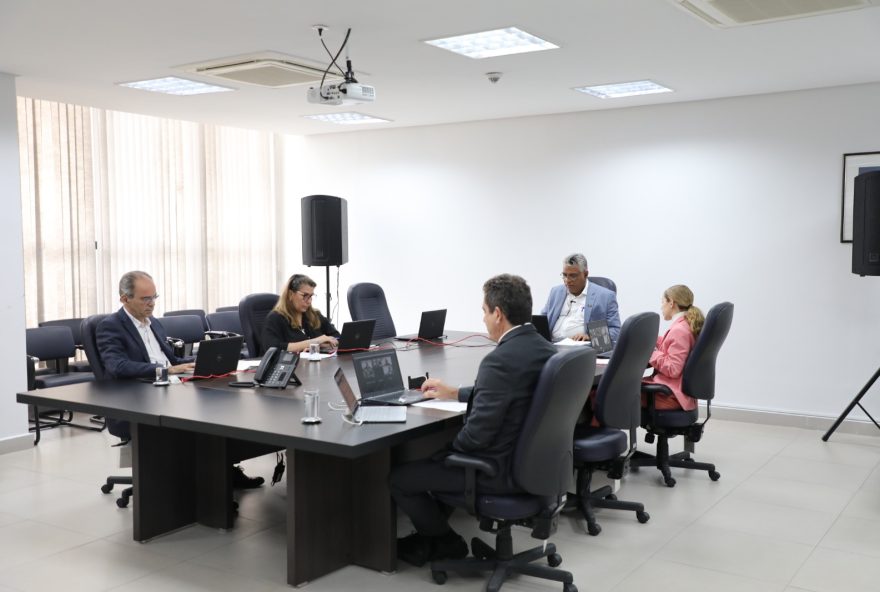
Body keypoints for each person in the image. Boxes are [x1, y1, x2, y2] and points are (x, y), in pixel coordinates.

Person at [391, 274, 557, 567]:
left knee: (401, 478)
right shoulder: (544, 349)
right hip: (536, 466)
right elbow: (511, 392)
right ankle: (431, 536)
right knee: (437, 459)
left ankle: (445, 542)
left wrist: (445, 451)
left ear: (498, 314)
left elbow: (476, 437)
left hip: (498, 471)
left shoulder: (499, 360)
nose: (482, 319)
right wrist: (455, 392)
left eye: (483, 311)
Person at [96, 270, 264, 488]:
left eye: (154, 297)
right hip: (137, 399)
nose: (151, 304)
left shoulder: (153, 322)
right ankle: (207, 485)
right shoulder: (110, 326)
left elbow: (170, 358)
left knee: (219, 407)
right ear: (124, 299)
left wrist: (191, 363)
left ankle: (223, 472)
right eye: (145, 298)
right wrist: (164, 370)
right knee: (199, 417)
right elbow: (117, 366)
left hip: (166, 389)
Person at [642, 284, 705, 411]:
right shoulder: (686, 324)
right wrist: (653, 339)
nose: (661, 307)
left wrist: (650, 353)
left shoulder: (679, 331)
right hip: (675, 392)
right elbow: (672, 347)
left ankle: (599, 430)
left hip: (668, 396)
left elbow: (673, 368)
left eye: (662, 302)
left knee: (606, 394)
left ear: (671, 303)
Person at [541, 253, 621, 343]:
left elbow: (615, 330)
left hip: (581, 348)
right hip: (551, 344)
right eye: (565, 275)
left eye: (573, 276)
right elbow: (542, 321)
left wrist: (590, 336)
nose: (567, 280)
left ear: (585, 274)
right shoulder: (555, 292)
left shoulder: (605, 296)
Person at [261, 274, 340, 354]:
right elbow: (273, 348)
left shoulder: (315, 315)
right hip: (291, 365)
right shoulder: (275, 318)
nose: (309, 301)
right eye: (305, 295)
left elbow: (337, 337)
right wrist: (316, 341)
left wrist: (321, 345)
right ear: (290, 294)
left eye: (311, 296)